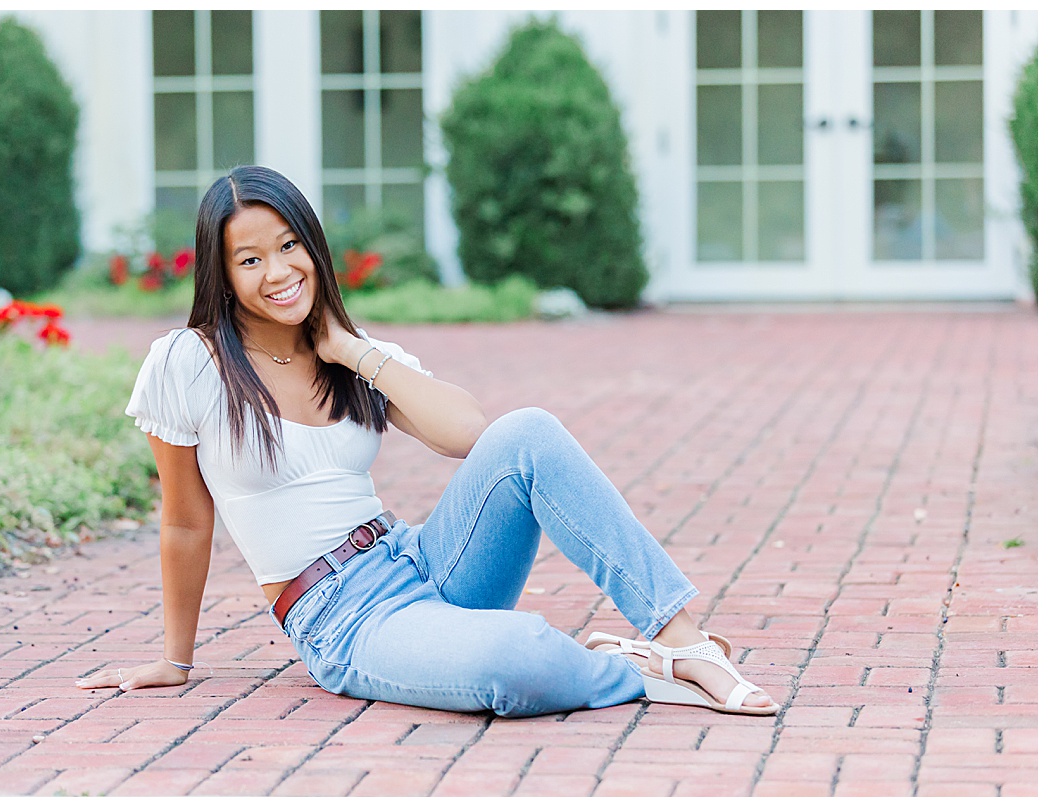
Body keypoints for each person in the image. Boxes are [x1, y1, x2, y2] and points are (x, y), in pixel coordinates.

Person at [75, 165, 778, 717]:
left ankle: (682, 642)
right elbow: (184, 520)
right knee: (517, 657)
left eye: (290, 245)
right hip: (342, 616)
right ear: (221, 273)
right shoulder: (187, 363)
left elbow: (472, 436)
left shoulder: (347, 354)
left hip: (418, 557)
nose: (280, 271)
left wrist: (350, 350)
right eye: (250, 259)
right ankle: (633, 670)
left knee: (527, 430)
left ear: (313, 247)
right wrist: (177, 657)